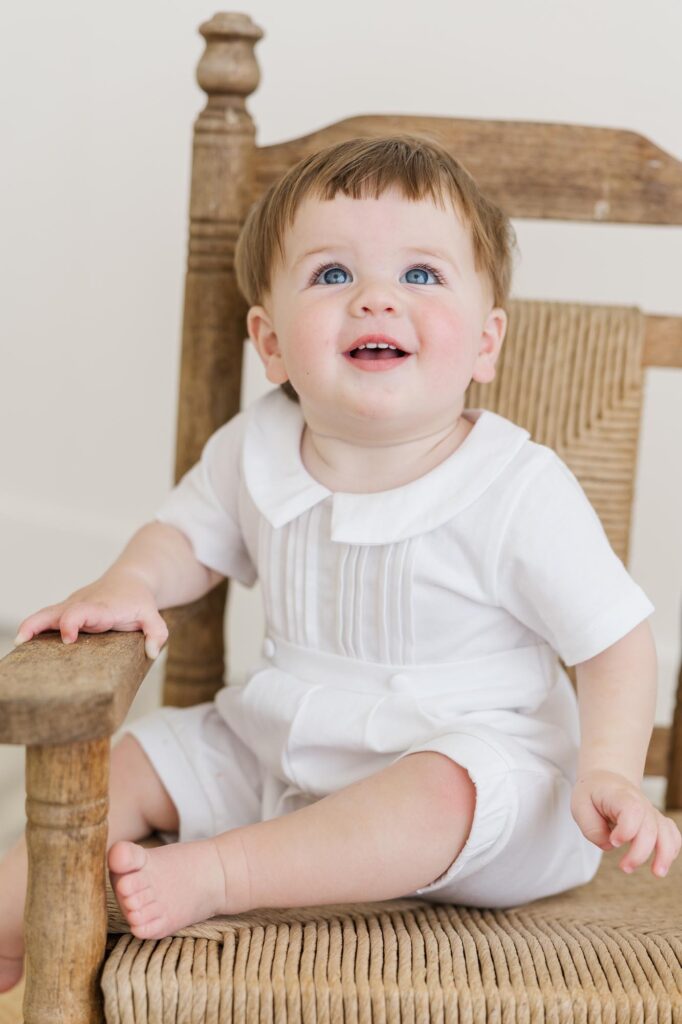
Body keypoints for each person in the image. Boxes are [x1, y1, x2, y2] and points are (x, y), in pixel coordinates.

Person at [2, 135, 680, 993]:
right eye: (332, 274)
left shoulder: (516, 486)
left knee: (442, 791)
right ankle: (6, 933)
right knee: (130, 761)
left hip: (477, 772)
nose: (375, 299)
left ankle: (223, 873)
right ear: (271, 343)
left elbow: (615, 641)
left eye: (421, 274)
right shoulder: (255, 446)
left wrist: (609, 768)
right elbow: (182, 539)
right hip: (283, 741)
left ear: (486, 344)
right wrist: (128, 583)